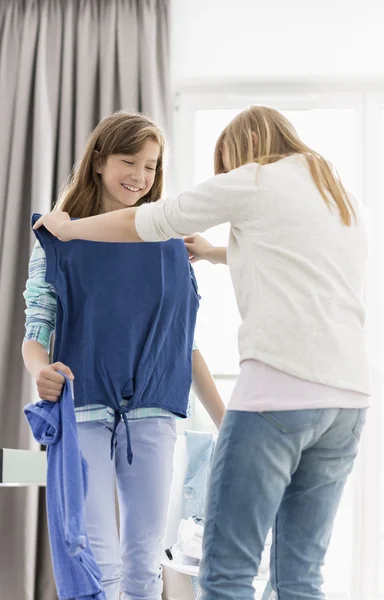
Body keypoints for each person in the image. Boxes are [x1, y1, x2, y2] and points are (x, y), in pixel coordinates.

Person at [34, 105, 371, 600]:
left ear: (242, 151)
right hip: (347, 403)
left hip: (276, 396)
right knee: (299, 576)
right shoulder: (333, 192)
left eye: (151, 166)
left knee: (225, 574)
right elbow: (296, 253)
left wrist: (69, 229)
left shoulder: (254, 178)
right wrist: (215, 253)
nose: (143, 176)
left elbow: (158, 221)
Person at [23, 110, 225, 600]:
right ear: (98, 161)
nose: (139, 176)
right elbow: (36, 329)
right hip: (84, 405)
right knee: (99, 558)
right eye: (128, 161)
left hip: (155, 406)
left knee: (144, 560)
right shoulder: (58, 237)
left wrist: (227, 419)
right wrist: (40, 370)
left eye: (151, 167)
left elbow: (184, 341)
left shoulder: (171, 240)